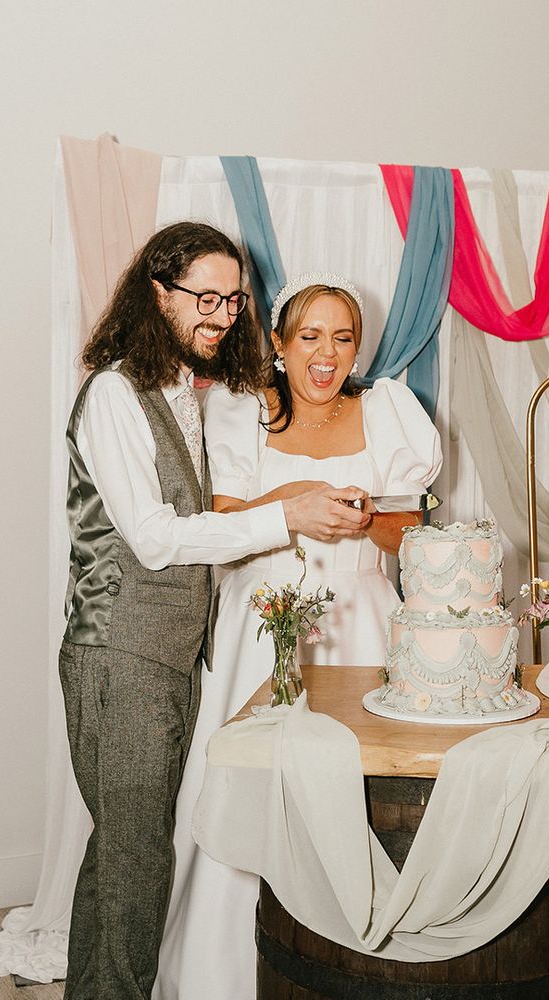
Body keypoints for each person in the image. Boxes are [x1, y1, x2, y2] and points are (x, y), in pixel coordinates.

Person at [59, 234, 369, 1000]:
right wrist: (287, 517)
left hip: (166, 657)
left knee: (122, 856)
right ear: (156, 292)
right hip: (120, 655)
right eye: (208, 297)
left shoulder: (179, 393)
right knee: (136, 866)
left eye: (234, 300)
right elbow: (156, 540)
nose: (224, 316)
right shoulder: (113, 394)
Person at [153, 274, 443, 1000]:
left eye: (343, 338)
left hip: (364, 625)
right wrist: (297, 504)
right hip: (266, 623)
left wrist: (362, 516)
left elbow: (408, 531)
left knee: (362, 794)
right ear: (278, 344)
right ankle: (222, 971)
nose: (327, 353)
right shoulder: (242, 411)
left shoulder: (389, 411)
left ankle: (358, 963)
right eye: (309, 336)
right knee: (253, 784)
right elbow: (224, 519)